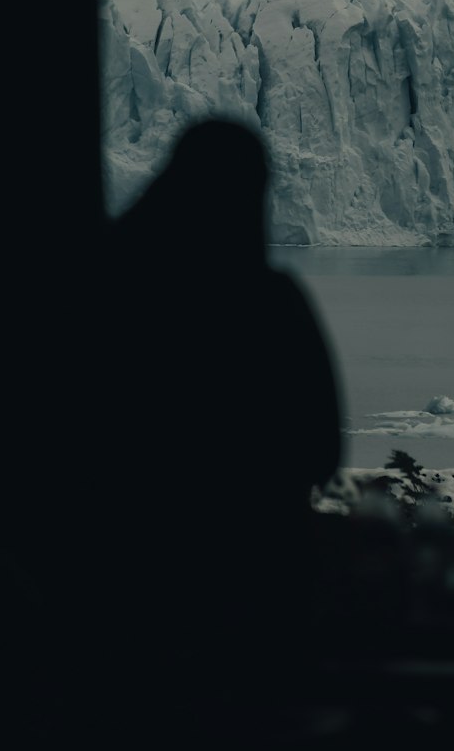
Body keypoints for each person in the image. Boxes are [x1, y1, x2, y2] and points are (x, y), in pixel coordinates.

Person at [77, 118, 342, 712]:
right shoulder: (271, 306)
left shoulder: (106, 296)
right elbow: (322, 449)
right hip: (258, 589)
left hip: (127, 593)